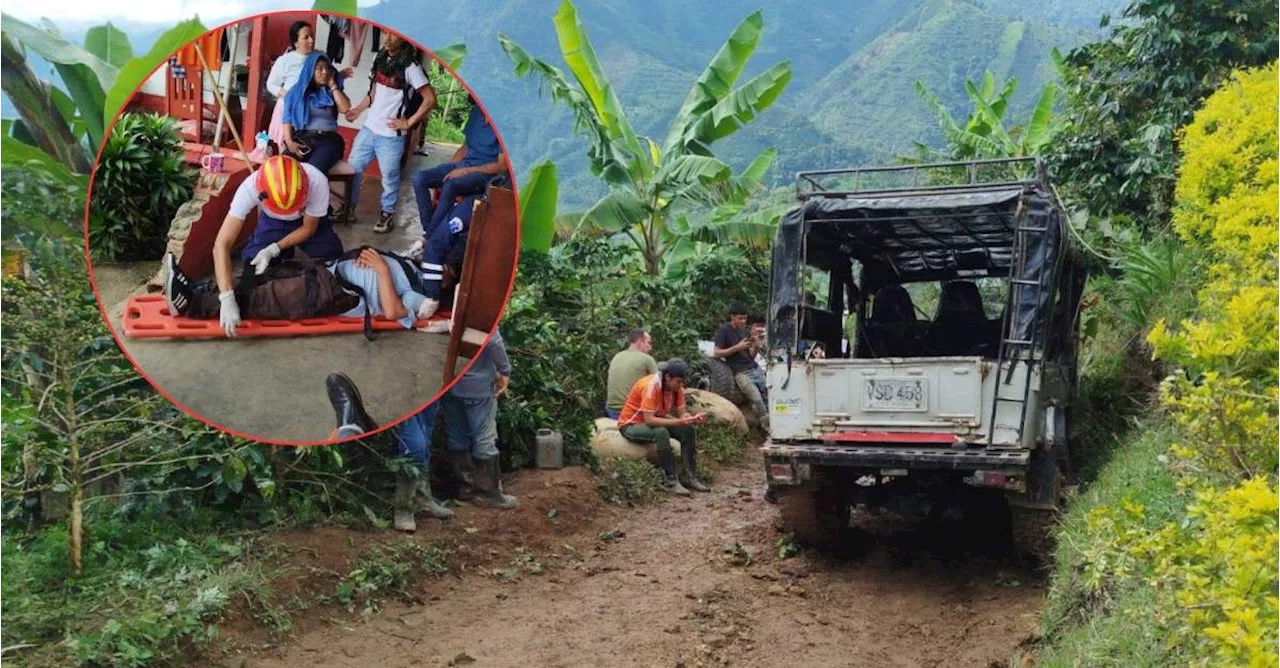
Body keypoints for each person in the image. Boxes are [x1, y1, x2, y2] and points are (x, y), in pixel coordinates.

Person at [169, 155, 343, 338]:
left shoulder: (317, 180)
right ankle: (200, 297)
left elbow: (309, 228)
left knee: (334, 267)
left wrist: (275, 248)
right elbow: (222, 244)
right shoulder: (250, 187)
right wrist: (226, 297)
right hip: (272, 223)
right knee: (251, 274)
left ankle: (199, 298)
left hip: (306, 223)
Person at [322, 373, 452, 532]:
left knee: (426, 435)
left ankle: (423, 498)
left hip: (426, 375)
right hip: (398, 383)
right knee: (415, 445)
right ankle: (404, 509)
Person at [344, 31, 437, 234]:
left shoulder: (411, 67)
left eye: (393, 36)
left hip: (391, 136)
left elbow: (430, 98)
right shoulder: (381, 59)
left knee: (389, 177)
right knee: (353, 169)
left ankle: (387, 215)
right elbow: (374, 92)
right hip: (369, 128)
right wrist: (358, 110)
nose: (386, 39)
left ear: (403, 38)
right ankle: (347, 209)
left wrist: (409, 122)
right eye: (385, 33)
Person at [440, 329, 517, 509]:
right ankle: (487, 492)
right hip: (478, 385)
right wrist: (505, 371)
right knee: (484, 436)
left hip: (450, 384)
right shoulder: (481, 312)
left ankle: (466, 487)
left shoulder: (443, 315)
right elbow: (493, 342)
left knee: (456, 435)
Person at [411, 101, 507, 241]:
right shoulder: (477, 112)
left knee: (451, 185)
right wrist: (448, 169)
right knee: (419, 178)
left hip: (484, 173)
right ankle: (429, 231)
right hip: (463, 164)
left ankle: (428, 238)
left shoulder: (503, 124)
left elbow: (502, 166)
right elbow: (465, 147)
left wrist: (465, 171)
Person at [616, 359, 709, 495]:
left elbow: (682, 414)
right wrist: (678, 422)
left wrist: (691, 419)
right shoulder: (651, 386)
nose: (681, 385)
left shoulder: (677, 388)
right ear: (667, 377)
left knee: (687, 430)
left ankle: (689, 476)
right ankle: (670, 481)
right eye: (678, 381)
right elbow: (650, 421)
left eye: (682, 382)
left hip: (655, 419)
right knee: (661, 432)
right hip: (631, 424)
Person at [266, 21, 352, 154]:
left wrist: (339, 76)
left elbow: (326, 77)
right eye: (306, 37)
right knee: (287, 149)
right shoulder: (285, 60)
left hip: (312, 109)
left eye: (312, 36)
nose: (311, 40)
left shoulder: (319, 56)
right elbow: (271, 85)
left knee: (306, 149)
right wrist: (292, 96)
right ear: (296, 42)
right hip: (288, 108)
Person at [409, 194, 480, 320]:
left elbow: (434, 247)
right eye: (441, 282)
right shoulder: (460, 252)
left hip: (479, 206)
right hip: (479, 206)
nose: (440, 284)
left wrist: (432, 297)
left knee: (435, 244)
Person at [281, 51, 350, 175]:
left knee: (313, 172)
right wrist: (289, 142)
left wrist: (333, 85)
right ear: (310, 71)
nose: (325, 72)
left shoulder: (331, 92)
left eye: (327, 68)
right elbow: (287, 119)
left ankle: (314, 194)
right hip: (304, 138)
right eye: (319, 68)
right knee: (282, 167)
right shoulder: (296, 93)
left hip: (328, 140)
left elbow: (345, 108)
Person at [713, 302, 769, 429]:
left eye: (745, 318)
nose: (743, 321)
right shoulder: (724, 330)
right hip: (740, 372)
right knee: (756, 398)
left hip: (754, 368)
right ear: (732, 317)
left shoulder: (744, 331)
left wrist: (754, 345)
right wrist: (737, 347)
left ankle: (773, 422)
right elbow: (716, 353)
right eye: (740, 318)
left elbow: (751, 356)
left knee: (768, 394)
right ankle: (767, 426)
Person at [605, 328, 656, 419]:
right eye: (648, 343)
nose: (650, 347)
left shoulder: (618, 356)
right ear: (640, 343)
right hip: (630, 412)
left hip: (611, 410)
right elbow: (659, 385)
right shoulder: (647, 359)